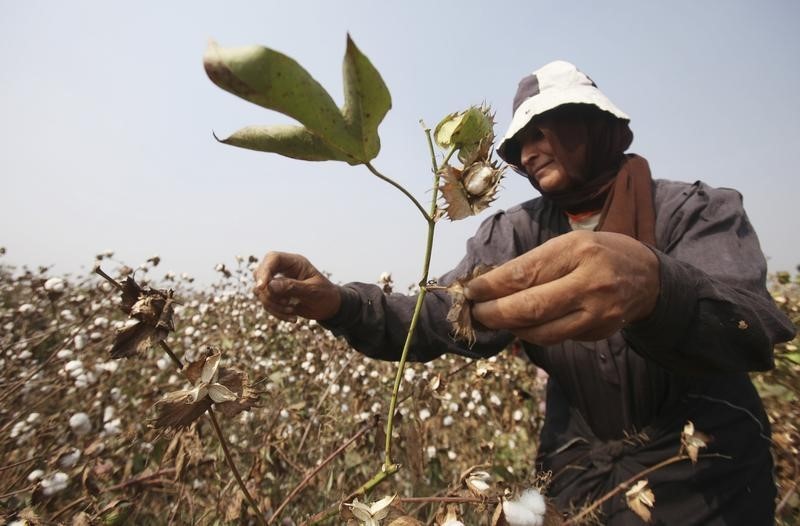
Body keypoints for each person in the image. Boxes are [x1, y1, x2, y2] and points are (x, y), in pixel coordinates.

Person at [252, 61, 795, 525]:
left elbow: (751, 330)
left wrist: (657, 286)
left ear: (594, 124)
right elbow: (442, 313)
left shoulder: (697, 211)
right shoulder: (514, 233)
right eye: (520, 145)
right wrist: (341, 302)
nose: (530, 152)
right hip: (578, 463)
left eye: (545, 131)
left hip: (706, 475)